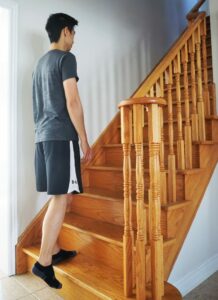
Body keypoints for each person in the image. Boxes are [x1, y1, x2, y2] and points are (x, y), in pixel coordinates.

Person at [31, 13, 92, 289]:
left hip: (42, 139)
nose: (74, 40)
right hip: (61, 138)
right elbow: (72, 100)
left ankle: (53, 250)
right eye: (73, 34)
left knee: (60, 196)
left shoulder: (39, 65)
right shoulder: (66, 59)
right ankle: (44, 263)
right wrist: (84, 139)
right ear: (66, 31)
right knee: (61, 198)